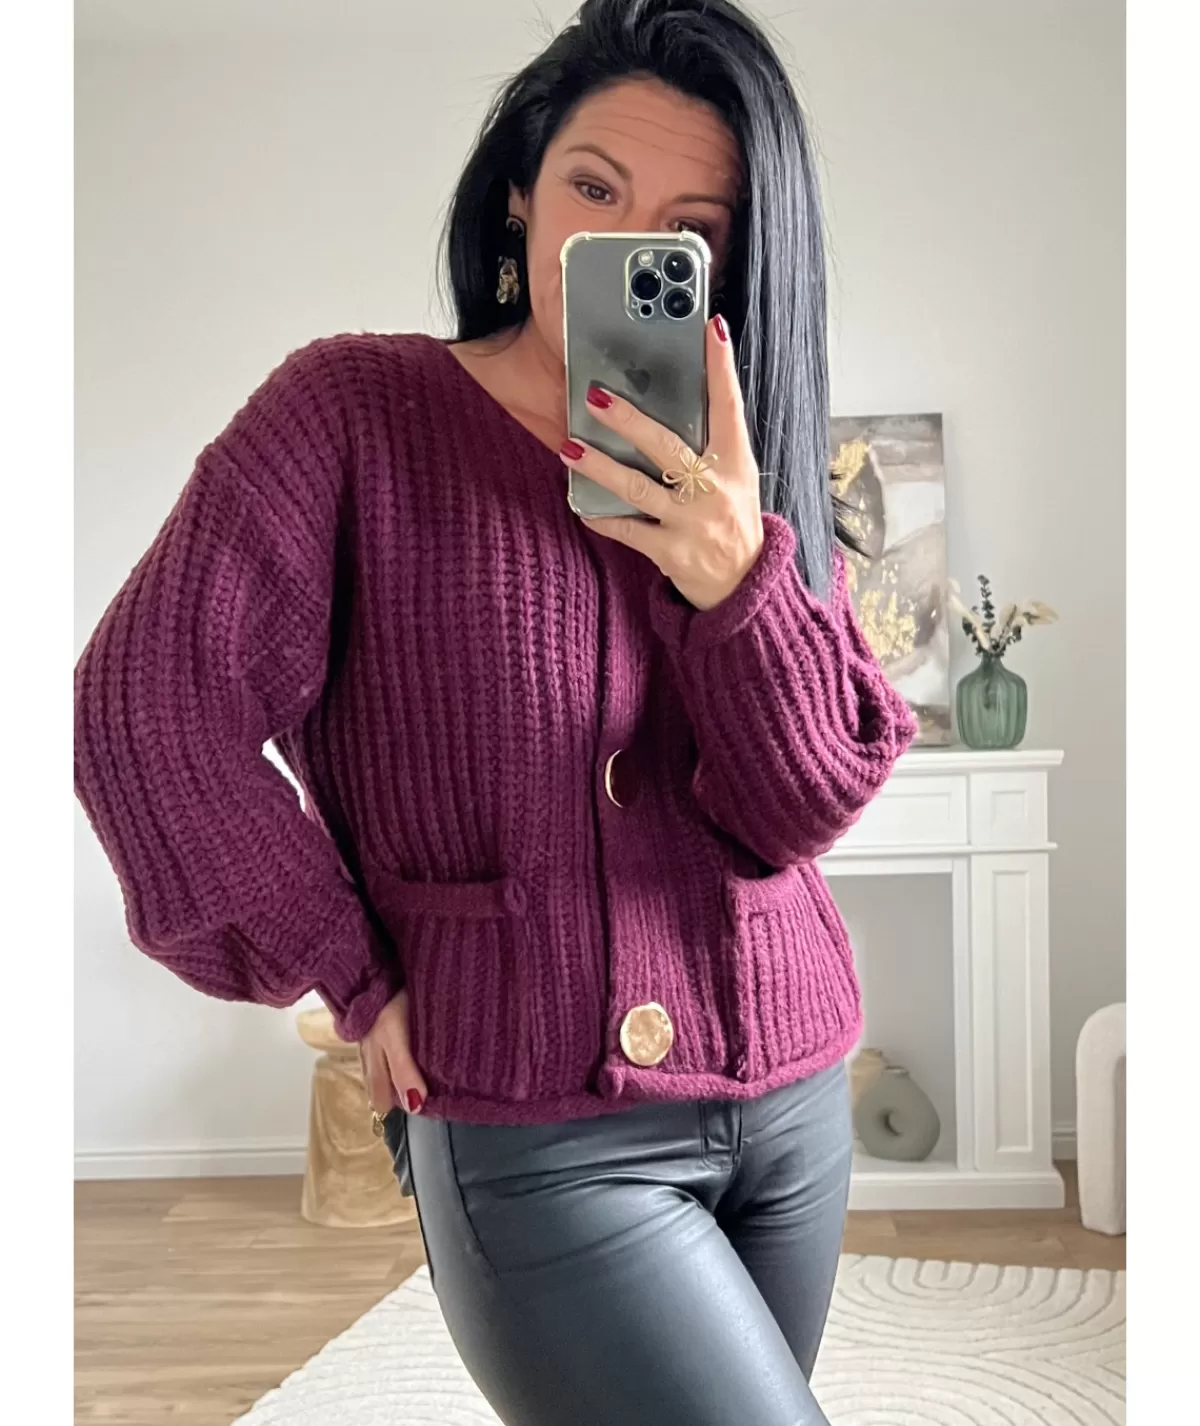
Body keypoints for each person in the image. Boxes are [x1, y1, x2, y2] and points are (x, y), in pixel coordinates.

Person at [73, 1, 917, 1422]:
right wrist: (346, 963)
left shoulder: (743, 470)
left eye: (687, 226)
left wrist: (737, 579)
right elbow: (145, 710)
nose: (623, 239)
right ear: (520, 189)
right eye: (594, 186)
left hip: (790, 1095)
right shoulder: (355, 416)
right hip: (538, 1129)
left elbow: (806, 801)